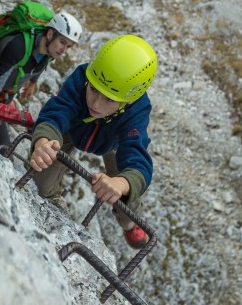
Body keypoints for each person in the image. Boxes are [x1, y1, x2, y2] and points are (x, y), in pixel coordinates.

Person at [28, 35, 157, 249]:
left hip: (113, 144)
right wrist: (43, 141)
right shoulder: (83, 76)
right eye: (94, 89)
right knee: (39, 181)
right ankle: (51, 198)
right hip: (72, 130)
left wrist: (120, 183)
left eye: (109, 99)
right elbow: (58, 111)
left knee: (126, 189)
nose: (95, 104)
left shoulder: (137, 109)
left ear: (130, 99)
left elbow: (137, 157)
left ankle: (129, 223)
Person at [0, 2, 82, 148]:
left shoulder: (48, 52)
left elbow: (38, 66)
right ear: (49, 34)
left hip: (1, 98)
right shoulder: (19, 46)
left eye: (68, 46)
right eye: (62, 42)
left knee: (3, 147)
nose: (63, 50)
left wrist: (32, 83)